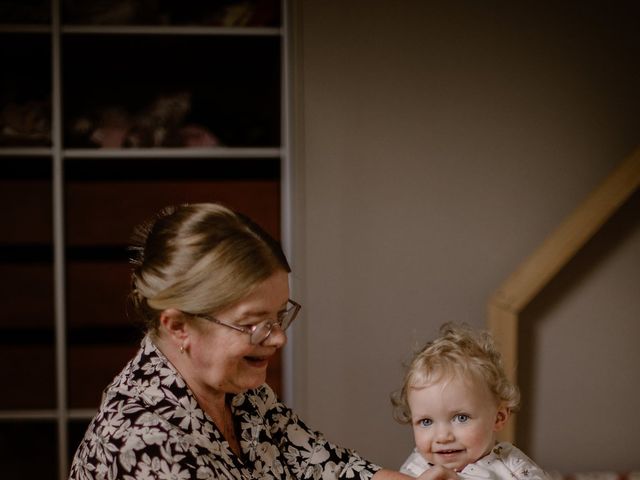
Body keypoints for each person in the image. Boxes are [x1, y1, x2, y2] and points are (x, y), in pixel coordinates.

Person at [69, 202, 424, 480]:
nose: (279, 337)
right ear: (179, 326)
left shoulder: (237, 389)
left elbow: (313, 460)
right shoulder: (144, 446)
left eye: (279, 315)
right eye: (253, 323)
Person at [390, 323, 549, 480]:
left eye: (461, 418)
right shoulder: (416, 466)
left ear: (498, 417)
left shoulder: (513, 467)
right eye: (426, 421)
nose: (443, 437)